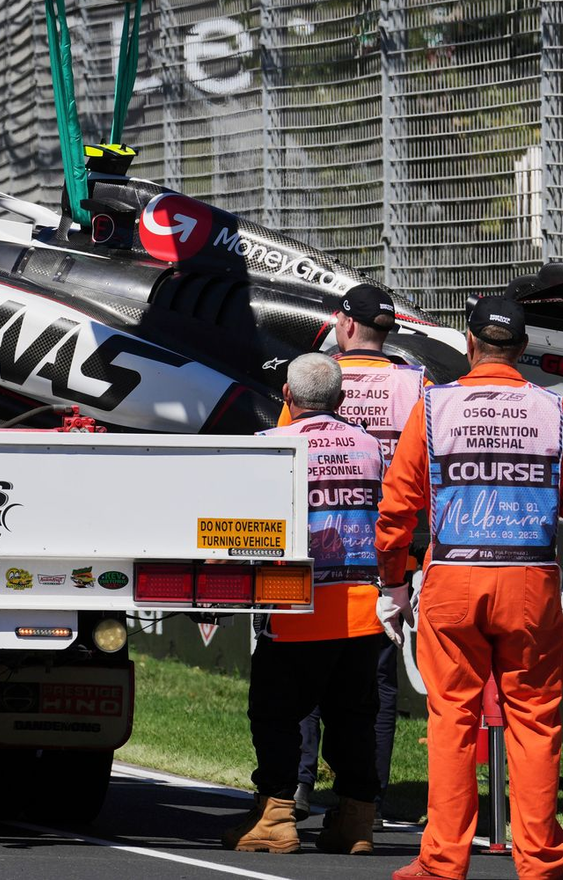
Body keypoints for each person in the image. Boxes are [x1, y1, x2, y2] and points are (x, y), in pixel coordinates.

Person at [375, 295, 563, 880]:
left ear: (468, 342)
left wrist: (392, 585)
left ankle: (441, 862)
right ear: (525, 350)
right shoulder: (555, 410)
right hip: (530, 579)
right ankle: (539, 865)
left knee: (451, 718)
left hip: (452, 577)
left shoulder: (434, 407)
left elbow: (396, 508)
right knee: (535, 721)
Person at [223, 353, 385, 855]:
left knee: (274, 712)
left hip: (292, 602)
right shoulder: (371, 445)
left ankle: (275, 816)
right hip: (361, 604)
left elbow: (242, 522)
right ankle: (356, 821)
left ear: (287, 398)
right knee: (355, 716)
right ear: (340, 399)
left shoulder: (271, 445)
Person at [281, 283, 427, 823]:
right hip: (382, 554)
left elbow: (285, 458)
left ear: (345, 325)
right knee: (375, 684)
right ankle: (369, 796)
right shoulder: (415, 384)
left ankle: (294, 785)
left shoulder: (307, 377)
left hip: (308, 549)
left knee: (300, 673)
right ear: (388, 331)